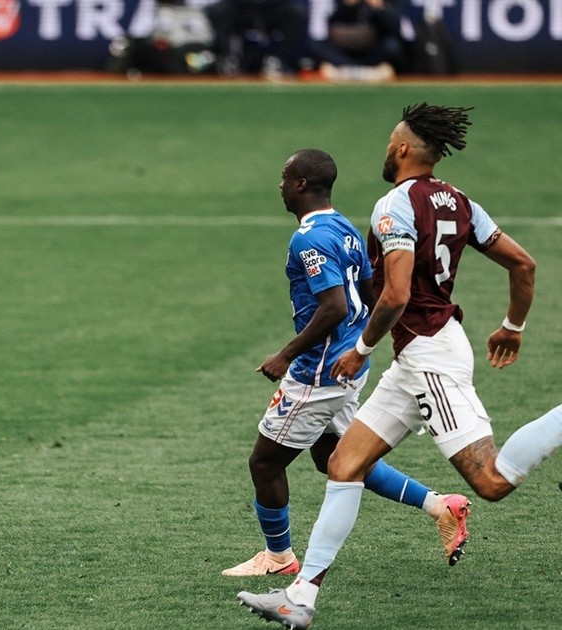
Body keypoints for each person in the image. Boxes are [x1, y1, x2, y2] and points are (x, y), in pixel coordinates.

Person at [239, 103, 562, 629]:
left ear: (405, 149)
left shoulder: (394, 205)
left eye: (392, 141)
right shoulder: (461, 201)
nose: (387, 149)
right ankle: (300, 598)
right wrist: (513, 325)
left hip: (429, 354)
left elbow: (395, 294)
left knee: (491, 481)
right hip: (418, 356)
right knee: (344, 464)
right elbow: (523, 264)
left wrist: (362, 348)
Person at [223, 148, 468, 577]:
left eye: (285, 177)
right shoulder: (345, 228)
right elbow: (371, 294)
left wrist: (286, 354)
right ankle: (440, 506)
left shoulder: (308, 238)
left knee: (264, 463)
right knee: (335, 457)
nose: (280, 185)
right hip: (348, 365)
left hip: (319, 373)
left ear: (301, 184)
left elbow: (335, 306)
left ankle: (278, 558)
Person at [202, 0, 309, 78]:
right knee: (218, 11)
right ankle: (227, 58)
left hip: (273, 7)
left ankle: (279, 60)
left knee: (297, 12)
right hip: (241, 6)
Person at [309, 0, 406, 81]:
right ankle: (358, 70)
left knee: (392, 46)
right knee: (315, 45)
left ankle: (350, 71)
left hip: (371, 51)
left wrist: (380, 8)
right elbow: (329, 29)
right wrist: (348, 6)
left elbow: (397, 30)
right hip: (344, 50)